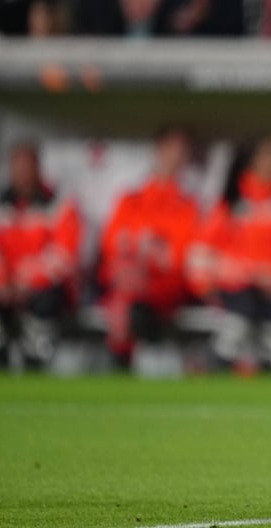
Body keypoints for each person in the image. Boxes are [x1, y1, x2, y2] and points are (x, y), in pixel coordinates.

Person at [187, 138, 271, 375]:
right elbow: (202, 250)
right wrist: (206, 285)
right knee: (241, 315)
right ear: (251, 161)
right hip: (235, 285)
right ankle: (223, 356)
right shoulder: (229, 203)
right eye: (267, 155)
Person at [97, 125, 200, 366]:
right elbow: (112, 245)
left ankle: (131, 358)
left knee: (134, 298)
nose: (176, 157)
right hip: (127, 284)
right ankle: (124, 358)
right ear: (158, 150)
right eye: (171, 149)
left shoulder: (187, 206)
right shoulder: (131, 199)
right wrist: (145, 250)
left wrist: (147, 252)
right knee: (125, 286)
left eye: (182, 151)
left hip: (164, 288)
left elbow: (179, 257)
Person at [0, 142, 81, 369]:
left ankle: (35, 364)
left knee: (49, 300)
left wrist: (27, 282)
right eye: (18, 167)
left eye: (28, 167)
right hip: (1, 287)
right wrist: (0, 282)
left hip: (39, 288)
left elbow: (64, 255)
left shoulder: (59, 205)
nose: (23, 174)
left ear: (38, 168)